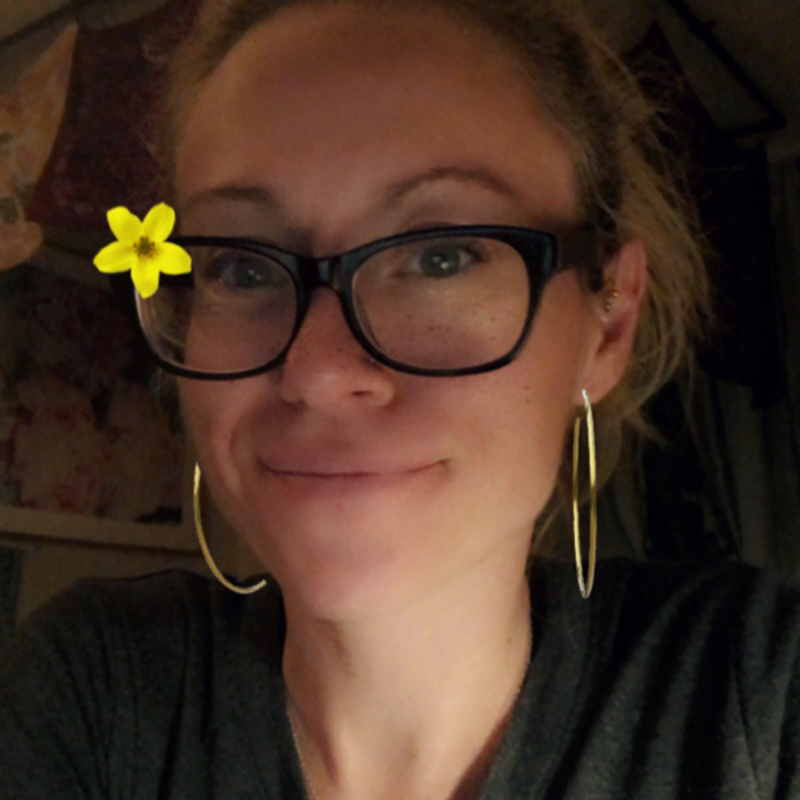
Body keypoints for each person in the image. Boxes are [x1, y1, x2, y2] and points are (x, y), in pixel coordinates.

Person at [2, 0, 799, 798]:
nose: (317, 371)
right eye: (242, 268)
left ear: (609, 323)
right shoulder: (95, 693)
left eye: (441, 257)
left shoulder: (757, 699)